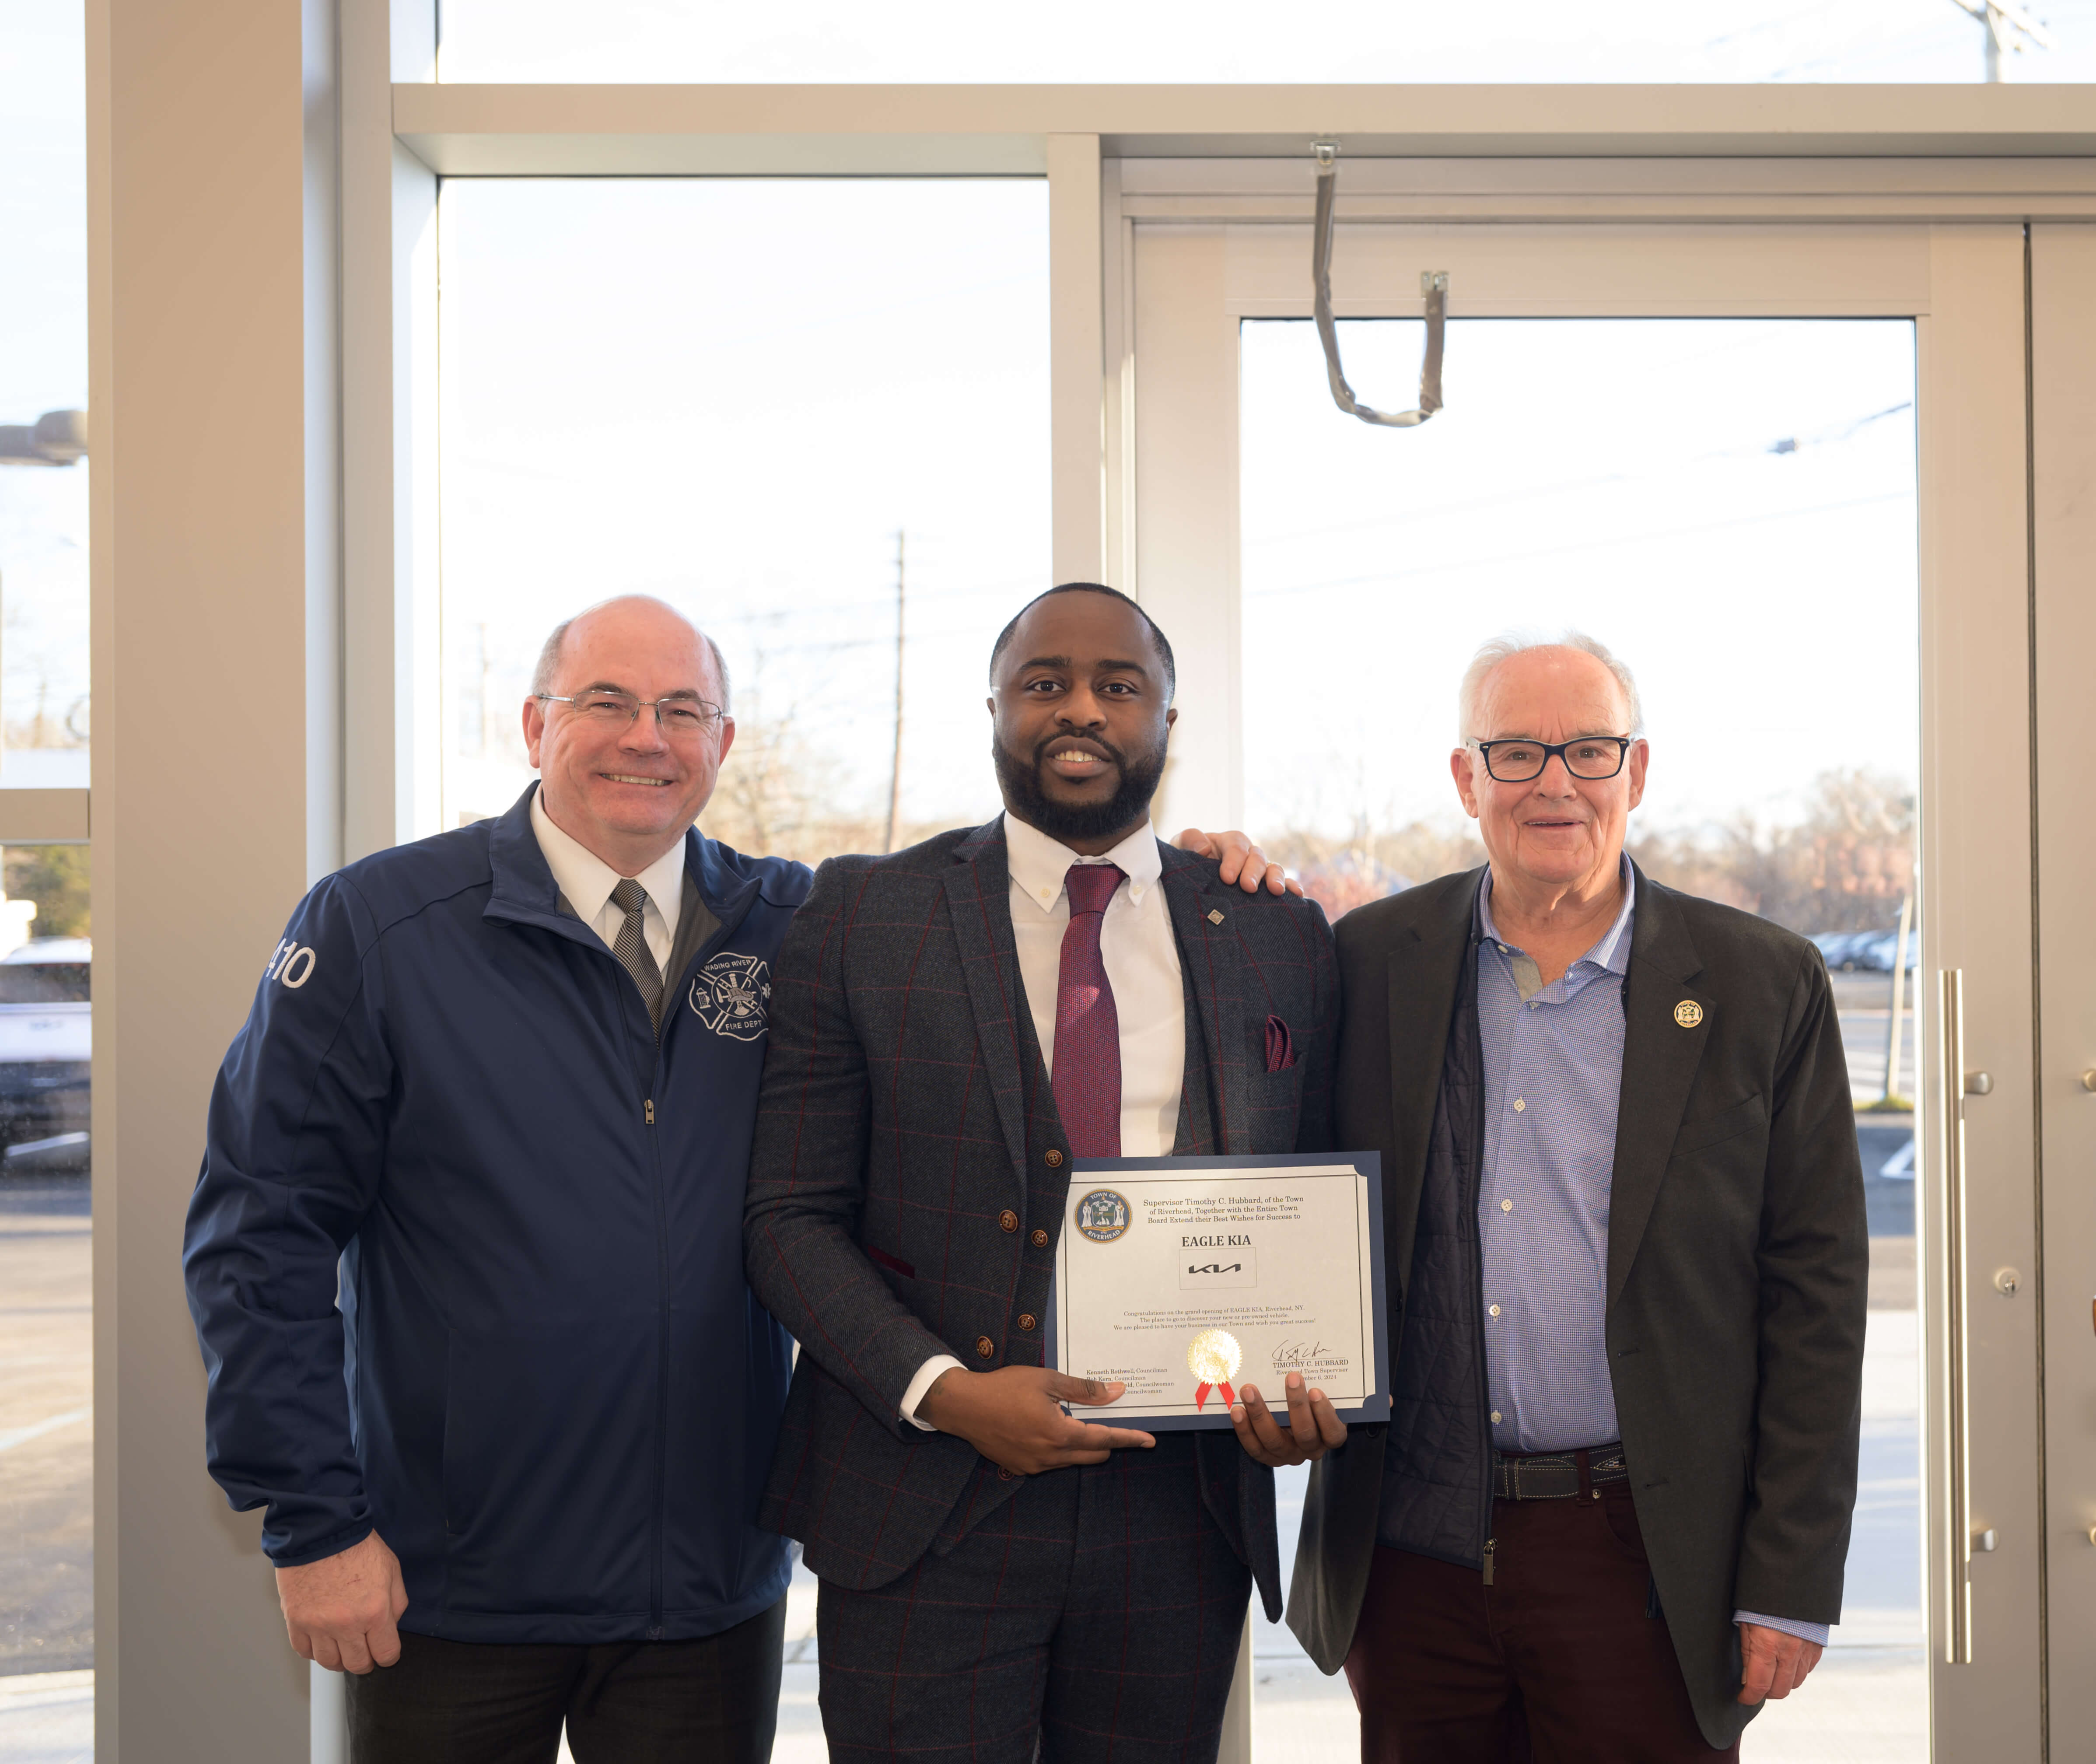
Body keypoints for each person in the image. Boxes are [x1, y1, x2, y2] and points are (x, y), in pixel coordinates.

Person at [181, 593, 1292, 1764]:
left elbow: (1001, 906)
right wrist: (313, 1526)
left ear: (723, 743)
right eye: (605, 703)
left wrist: (1193, 873)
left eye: (683, 710)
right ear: (531, 724)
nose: (645, 738)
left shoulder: (803, 923)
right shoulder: (381, 926)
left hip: (707, 1585)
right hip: (447, 1577)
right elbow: (259, 1241)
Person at [742, 581, 1347, 1763]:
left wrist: (1300, 1389)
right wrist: (945, 1391)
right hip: (926, 1500)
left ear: (1170, 721)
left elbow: (1307, 1210)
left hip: (1179, 1515)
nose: (1081, 708)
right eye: (1045, 682)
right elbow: (786, 1217)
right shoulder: (864, 916)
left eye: (1120, 687)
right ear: (994, 711)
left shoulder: (1274, 933)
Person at [1286, 633, 1869, 1761]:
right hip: (1416, 1558)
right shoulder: (1368, 961)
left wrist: (1789, 1577)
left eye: (1589, 750)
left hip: (1646, 1555)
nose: (1555, 782)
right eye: (1515, 752)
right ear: (1467, 780)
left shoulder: (1761, 982)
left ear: (1635, 774)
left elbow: (1818, 1295)